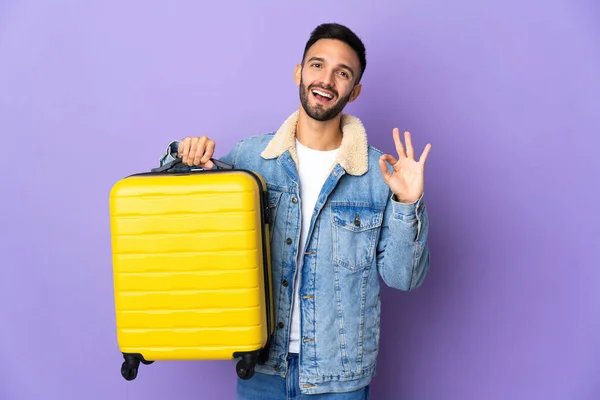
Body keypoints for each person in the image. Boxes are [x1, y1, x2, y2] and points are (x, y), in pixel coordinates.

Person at [157, 22, 431, 400]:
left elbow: (404, 278)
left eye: (343, 72)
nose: (327, 79)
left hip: (340, 378)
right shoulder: (251, 158)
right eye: (317, 65)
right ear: (299, 73)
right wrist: (182, 157)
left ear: (355, 91)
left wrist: (407, 202)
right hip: (261, 368)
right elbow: (183, 221)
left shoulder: (378, 175)